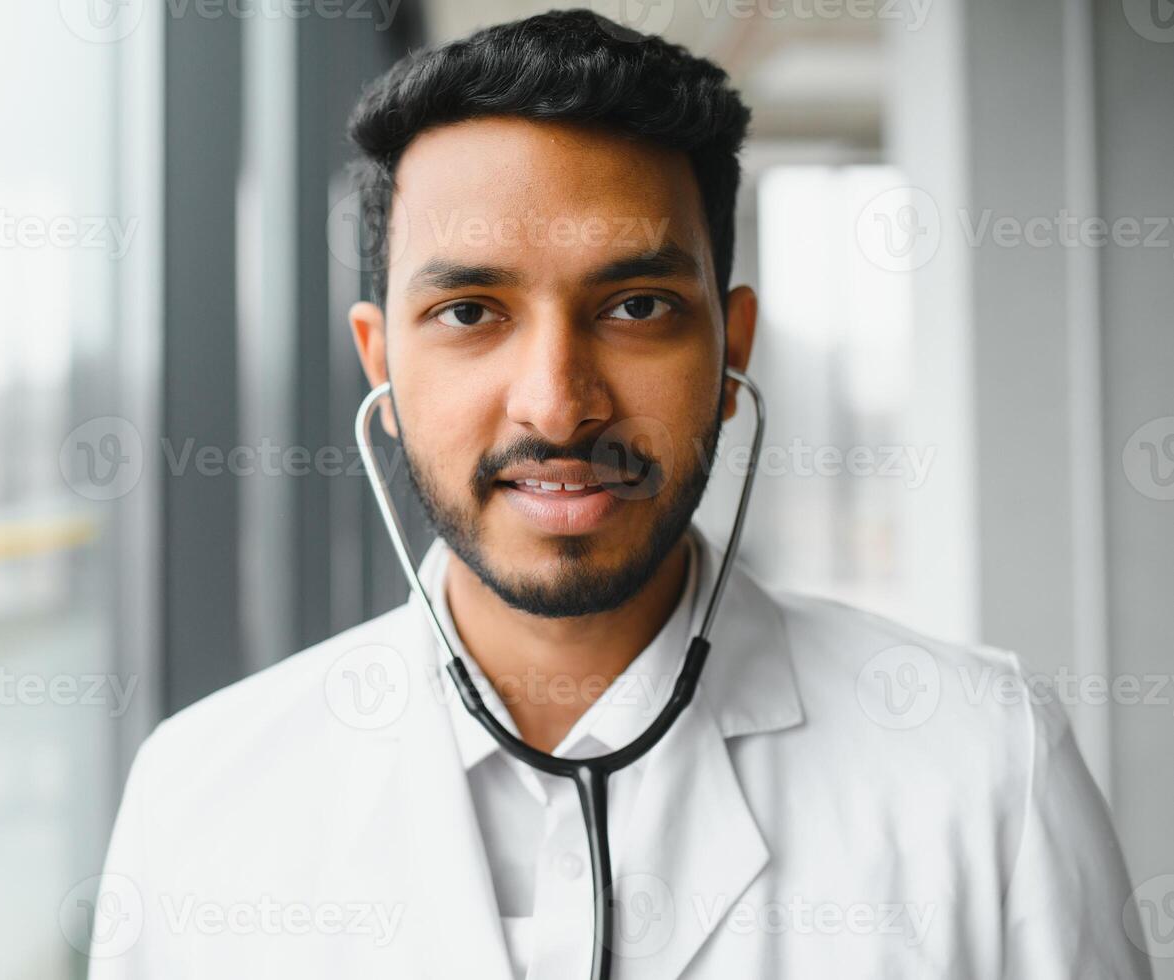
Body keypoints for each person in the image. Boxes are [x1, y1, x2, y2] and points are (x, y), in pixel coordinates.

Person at [88, 10, 1151, 978]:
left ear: (732, 347)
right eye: (469, 311)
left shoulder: (983, 765)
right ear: (383, 367)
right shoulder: (200, 798)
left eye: (637, 304)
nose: (558, 406)